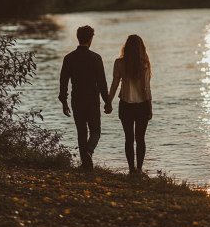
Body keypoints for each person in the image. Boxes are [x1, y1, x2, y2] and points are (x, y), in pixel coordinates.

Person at [58, 25, 112, 170]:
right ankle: (89, 151)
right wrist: (108, 102)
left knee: (82, 131)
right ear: (90, 38)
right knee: (95, 131)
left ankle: (85, 164)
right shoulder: (95, 58)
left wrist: (64, 101)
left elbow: (63, 81)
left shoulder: (69, 58)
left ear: (78, 38)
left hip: (76, 100)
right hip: (92, 101)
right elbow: (101, 82)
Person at [108, 34, 153, 174]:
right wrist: (150, 107)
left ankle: (131, 170)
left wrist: (108, 102)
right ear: (141, 48)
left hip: (125, 105)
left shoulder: (119, 63)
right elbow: (146, 88)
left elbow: (115, 84)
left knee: (129, 139)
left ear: (126, 47)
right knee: (140, 139)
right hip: (142, 105)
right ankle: (139, 170)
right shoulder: (145, 63)